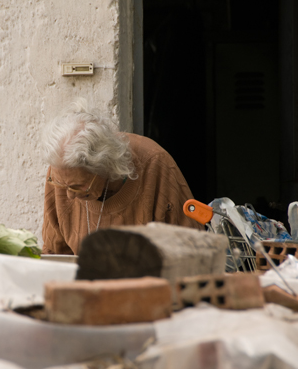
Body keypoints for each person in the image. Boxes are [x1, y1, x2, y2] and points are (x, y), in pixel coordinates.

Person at [41, 99, 201, 255]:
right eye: (62, 185)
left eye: (77, 185)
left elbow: (191, 252)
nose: (69, 194)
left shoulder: (155, 164)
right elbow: (54, 254)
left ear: (106, 166)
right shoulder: (61, 173)